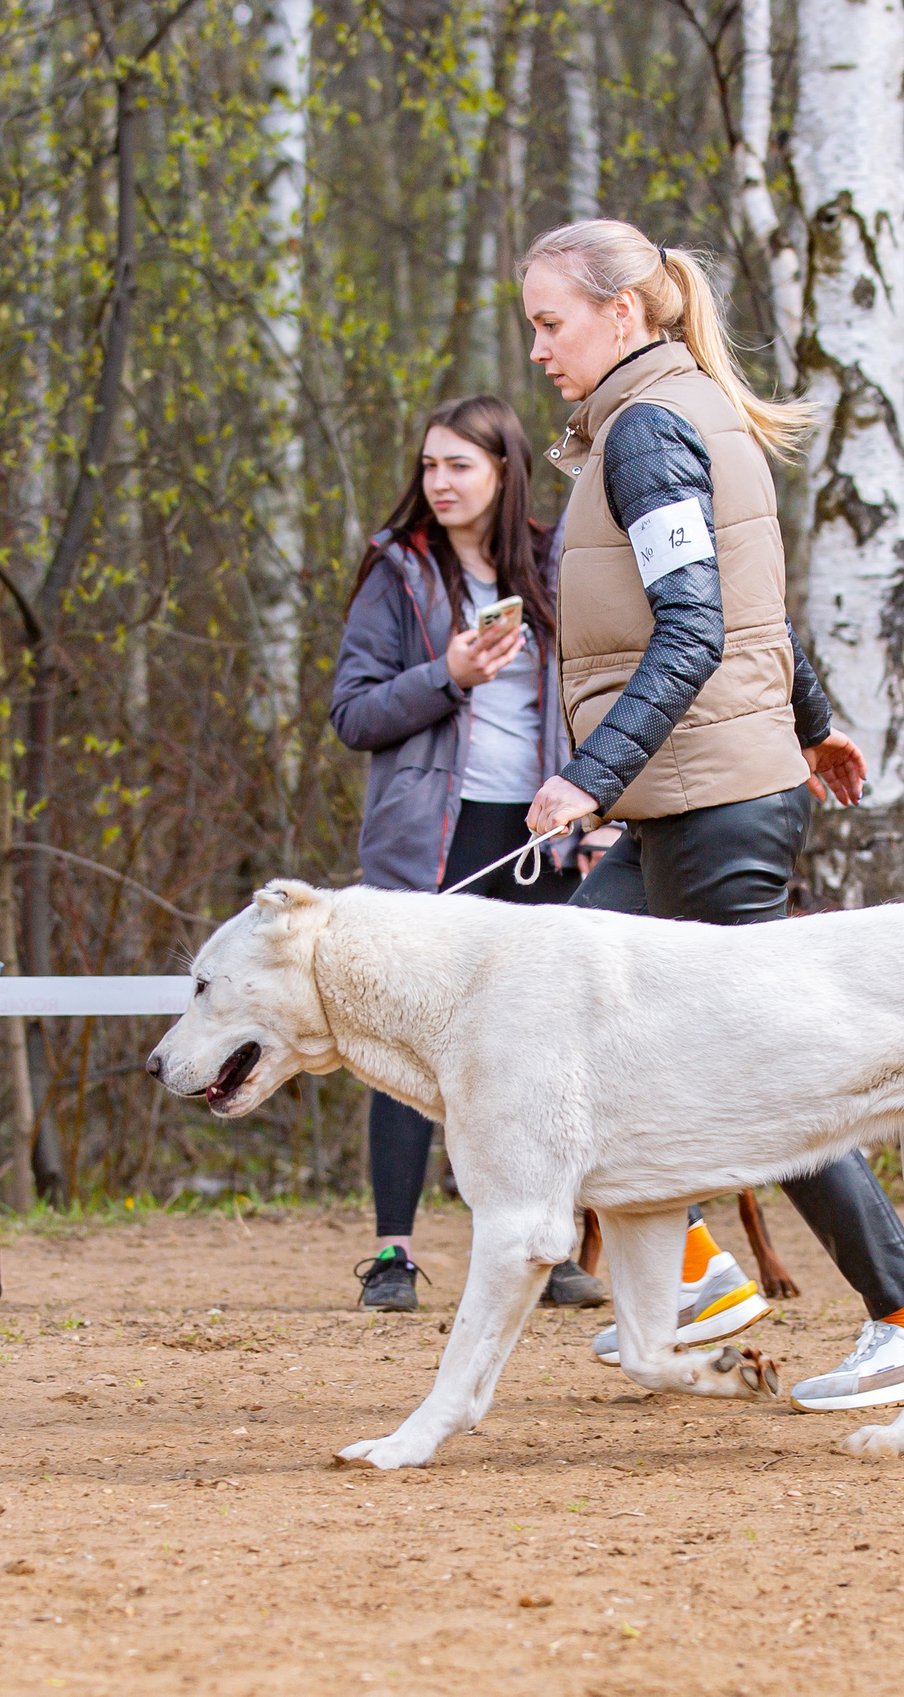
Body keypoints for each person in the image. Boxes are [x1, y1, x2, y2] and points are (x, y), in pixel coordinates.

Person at [517, 217, 904, 1414]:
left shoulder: (646, 431)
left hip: (703, 801)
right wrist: (810, 717)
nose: (540, 348)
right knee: (566, 1023)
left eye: (552, 323)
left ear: (623, 311)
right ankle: (696, 1280)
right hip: (700, 792)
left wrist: (588, 777)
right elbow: (754, 605)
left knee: (761, 1077)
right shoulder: (675, 411)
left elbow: (697, 626)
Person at [328, 394, 612, 1316]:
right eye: (429, 466)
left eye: (460, 466)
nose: (439, 483)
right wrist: (446, 675)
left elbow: (587, 695)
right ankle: (393, 1255)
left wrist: (592, 806)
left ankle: (549, 1239)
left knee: (535, 1046)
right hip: (426, 842)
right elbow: (353, 713)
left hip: (533, 839)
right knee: (407, 1040)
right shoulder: (397, 571)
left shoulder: (551, 564)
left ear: (503, 471)